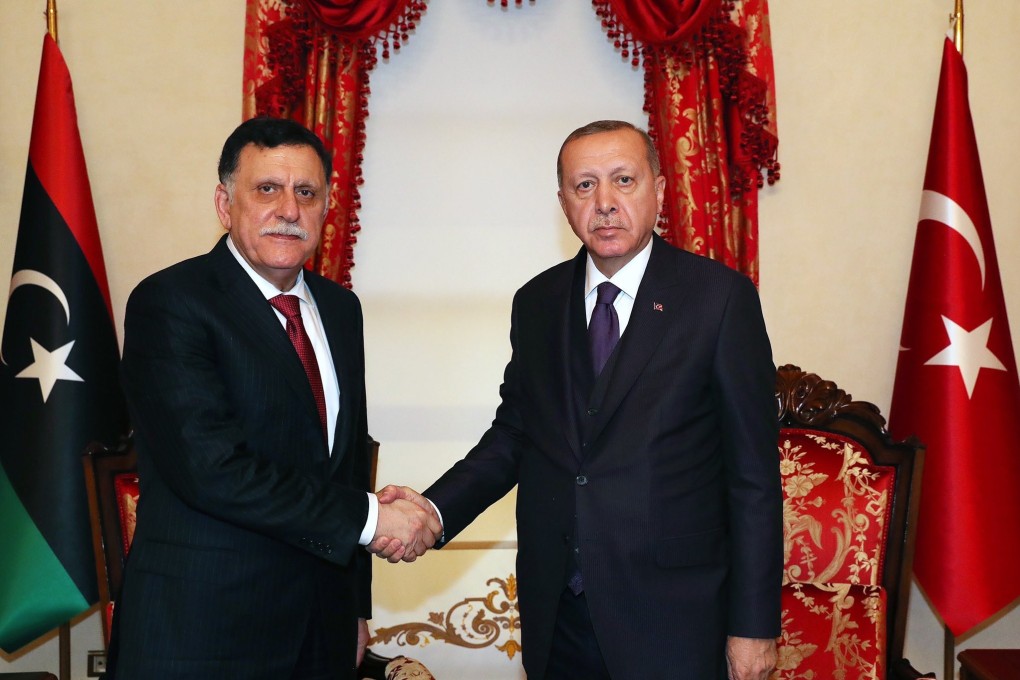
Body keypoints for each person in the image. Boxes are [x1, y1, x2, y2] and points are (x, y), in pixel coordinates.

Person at [375, 120, 782, 679]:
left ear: (660, 191)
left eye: (623, 180)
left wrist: (754, 625)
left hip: (675, 618)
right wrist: (434, 511)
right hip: (558, 616)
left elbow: (753, 477)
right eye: (584, 186)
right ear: (563, 202)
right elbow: (516, 433)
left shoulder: (718, 299)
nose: (606, 203)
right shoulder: (537, 303)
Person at [107, 116, 441, 680]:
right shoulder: (170, 302)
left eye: (305, 193)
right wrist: (371, 518)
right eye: (267, 189)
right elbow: (212, 470)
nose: (288, 209)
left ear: (327, 205)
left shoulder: (340, 310)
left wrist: (355, 607)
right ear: (224, 202)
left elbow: (346, 461)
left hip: (321, 629)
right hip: (203, 632)